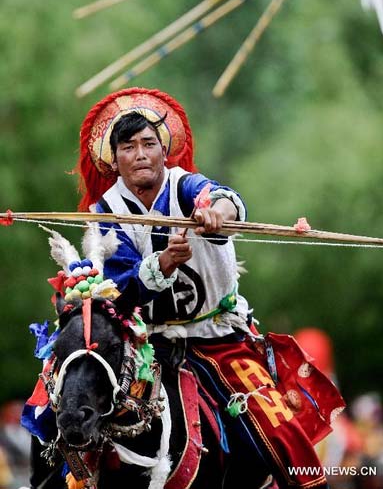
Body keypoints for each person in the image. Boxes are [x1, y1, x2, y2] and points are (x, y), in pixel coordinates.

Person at [75, 87, 343, 488]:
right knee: (77, 415)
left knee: (281, 433)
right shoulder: (105, 213)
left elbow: (224, 197)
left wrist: (217, 213)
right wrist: (163, 263)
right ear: (115, 160)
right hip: (150, 346)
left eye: (149, 143)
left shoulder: (186, 185)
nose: (141, 154)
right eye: (128, 147)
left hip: (220, 338)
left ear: (164, 152)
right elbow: (120, 290)